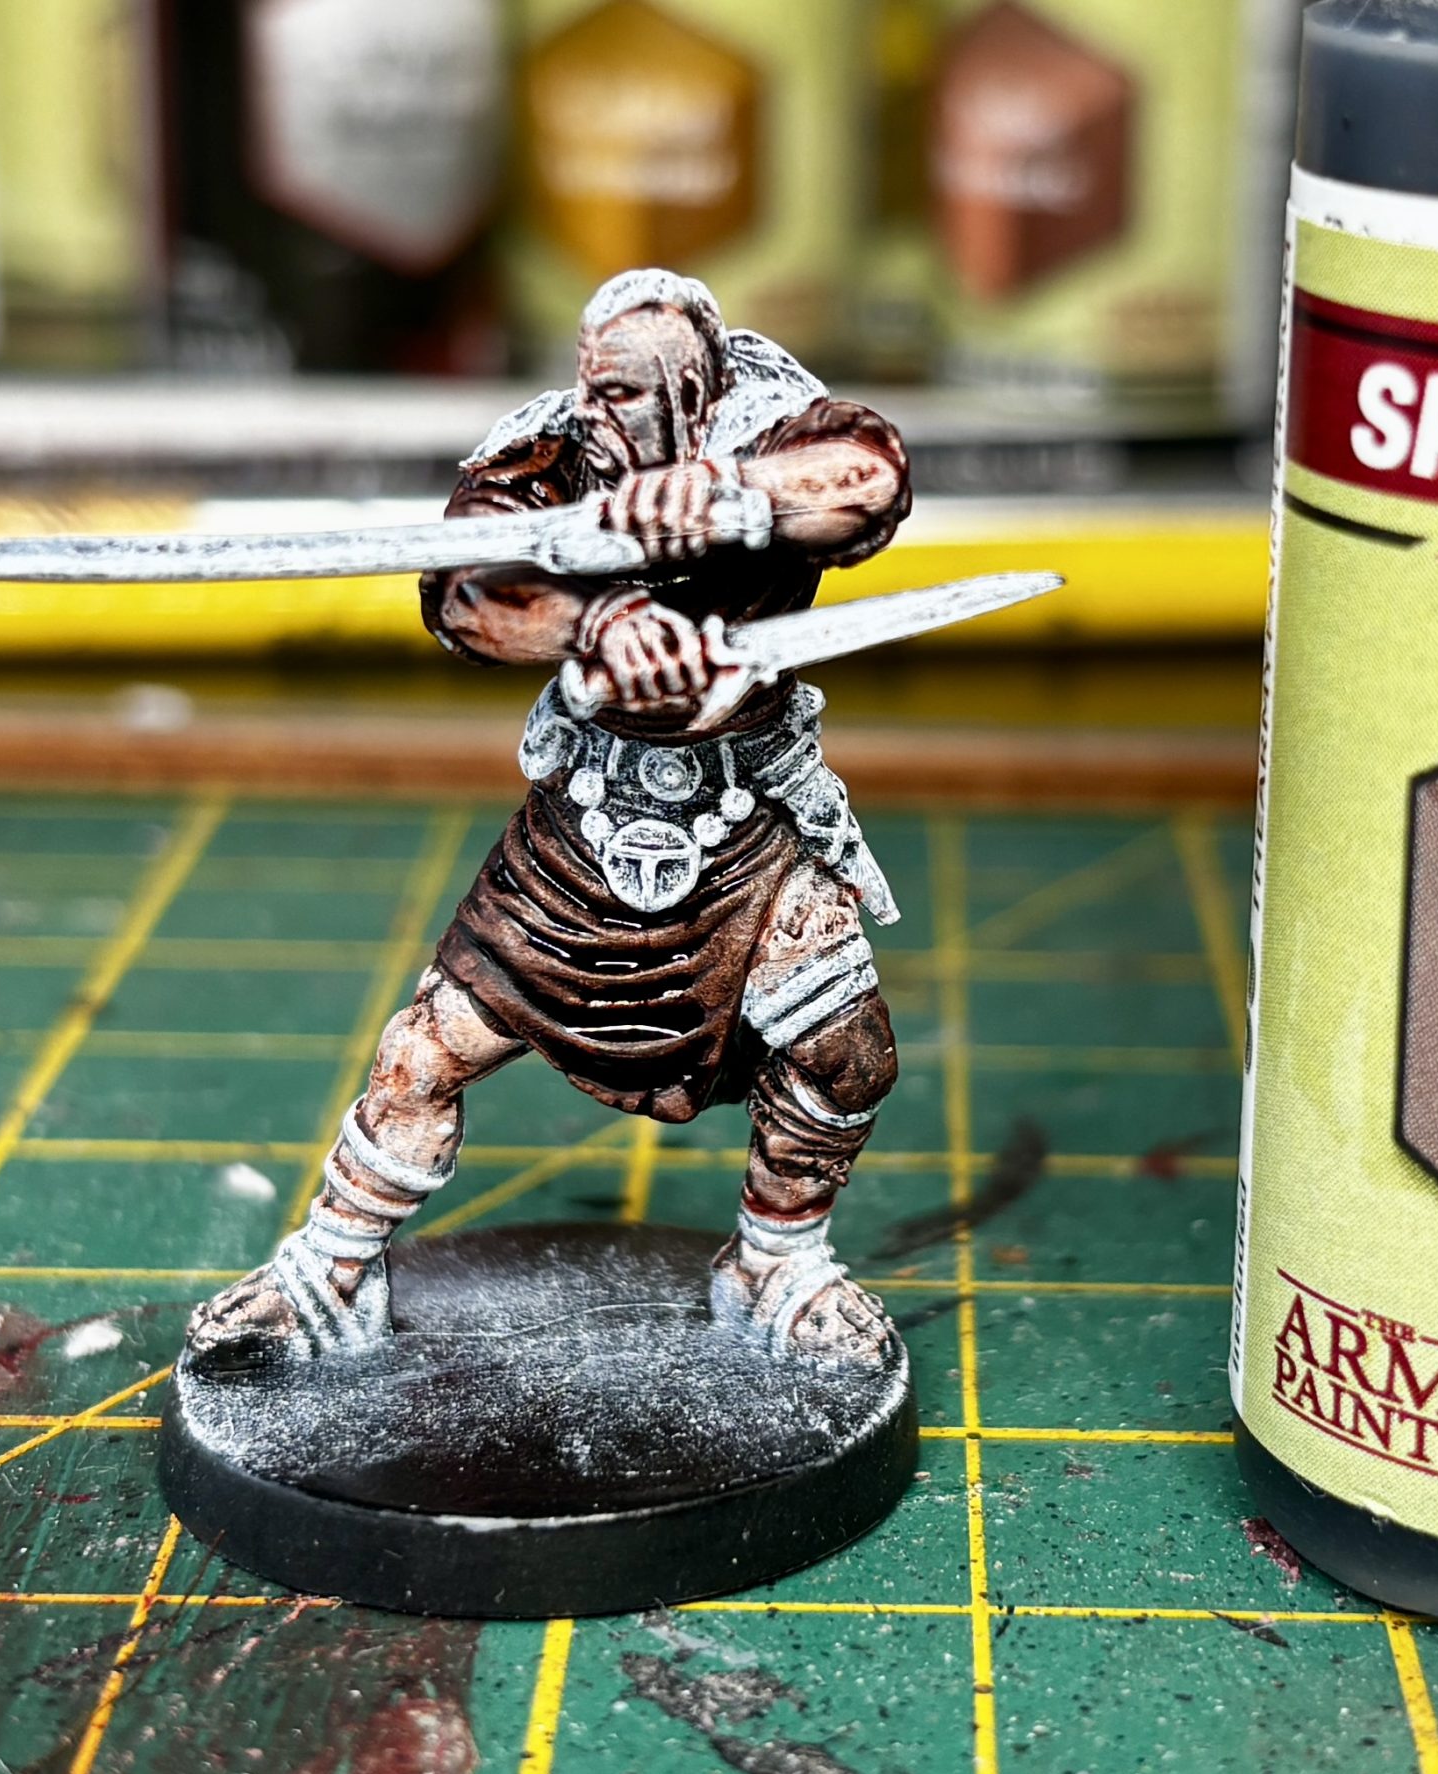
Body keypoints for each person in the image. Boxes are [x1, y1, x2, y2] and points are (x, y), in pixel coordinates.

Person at [186, 269, 912, 1373]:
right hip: (588, 818)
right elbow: (467, 592)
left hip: (745, 819)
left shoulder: (773, 417)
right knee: (423, 1055)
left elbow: (868, 479)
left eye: (627, 390)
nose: (600, 408)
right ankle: (326, 1270)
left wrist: (730, 493)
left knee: (846, 1054)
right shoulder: (549, 455)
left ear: (695, 384)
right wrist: (596, 620)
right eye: (593, 384)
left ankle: (777, 1262)